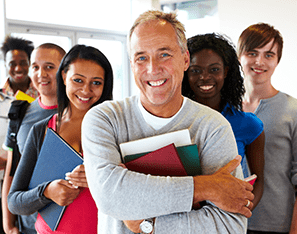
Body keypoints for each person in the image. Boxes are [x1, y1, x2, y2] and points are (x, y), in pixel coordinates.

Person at [82, 10, 254, 234]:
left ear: (184, 59)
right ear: (132, 64)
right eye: (141, 57)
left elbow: (229, 227)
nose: (153, 69)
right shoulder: (104, 119)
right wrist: (206, 187)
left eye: (164, 54)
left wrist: (149, 224)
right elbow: (110, 196)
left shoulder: (212, 127)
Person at [7, 44, 113, 234]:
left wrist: (101, 177)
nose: (86, 90)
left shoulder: (116, 128)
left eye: (96, 82)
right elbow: (15, 201)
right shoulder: (42, 131)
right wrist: (46, 192)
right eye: (78, 80)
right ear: (64, 77)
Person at [182, 33, 265, 210]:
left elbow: (259, 181)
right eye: (195, 70)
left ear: (225, 72)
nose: (205, 77)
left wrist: (243, 211)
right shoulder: (175, 121)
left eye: (214, 69)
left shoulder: (249, 125)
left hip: (227, 221)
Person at [237, 23, 297, 234]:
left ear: (277, 61)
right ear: (239, 56)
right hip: (230, 222)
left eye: (269, 55)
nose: (259, 61)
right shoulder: (225, 111)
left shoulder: (293, 110)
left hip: (276, 225)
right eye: (252, 53)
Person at [2, 43, 66, 234]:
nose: (41, 74)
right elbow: (11, 171)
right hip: (28, 223)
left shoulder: (79, 113)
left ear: (64, 71)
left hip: (67, 222)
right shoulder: (20, 112)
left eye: (49, 67)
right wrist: (9, 225)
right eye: (36, 67)